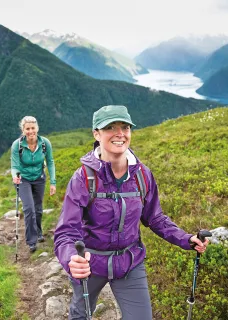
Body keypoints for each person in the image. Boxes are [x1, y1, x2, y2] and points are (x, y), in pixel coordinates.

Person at [54, 105, 209, 320]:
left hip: (129, 262)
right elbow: (66, 232)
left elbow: (155, 217)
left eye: (125, 127)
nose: (119, 133)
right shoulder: (83, 178)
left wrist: (186, 239)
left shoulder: (142, 175)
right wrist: (71, 257)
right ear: (96, 134)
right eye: (110, 127)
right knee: (81, 314)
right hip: (90, 263)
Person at [11, 116, 56, 253]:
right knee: (29, 209)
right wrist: (15, 176)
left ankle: (39, 232)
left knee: (38, 209)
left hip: (39, 178)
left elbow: (50, 161)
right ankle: (31, 241)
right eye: (27, 129)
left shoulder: (44, 143)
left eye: (33, 128)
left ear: (37, 128)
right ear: (23, 130)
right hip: (23, 179)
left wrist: (53, 182)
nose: (31, 131)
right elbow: (14, 165)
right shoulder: (17, 145)